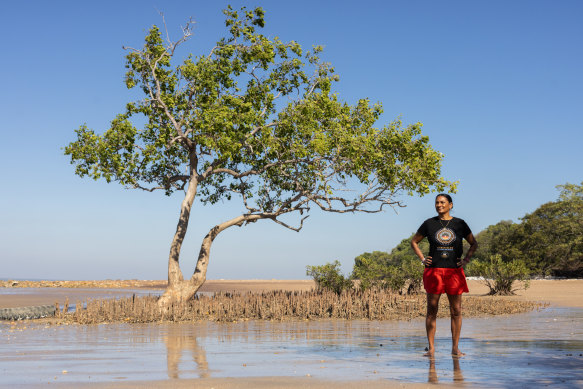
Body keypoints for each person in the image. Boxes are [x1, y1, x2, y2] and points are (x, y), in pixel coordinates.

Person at [411, 194, 478, 357]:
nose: (439, 205)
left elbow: (473, 243)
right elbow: (414, 242)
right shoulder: (429, 223)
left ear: (450, 205)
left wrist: (466, 259)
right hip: (434, 271)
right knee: (432, 310)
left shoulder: (460, 224)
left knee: (456, 310)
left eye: (442, 202)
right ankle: (431, 348)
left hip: (454, 272)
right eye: (437, 202)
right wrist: (422, 259)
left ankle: (455, 348)